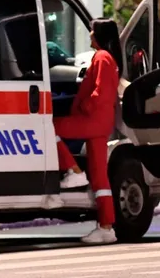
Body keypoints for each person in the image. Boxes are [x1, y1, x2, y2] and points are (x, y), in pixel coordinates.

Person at [53, 18, 123, 244]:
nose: (90, 33)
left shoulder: (102, 57)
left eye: (92, 30)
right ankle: (106, 227)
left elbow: (100, 92)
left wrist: (83, 106)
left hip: (92, 119)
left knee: (49, 128)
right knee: (100, 177)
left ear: (99, 34)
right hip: (101, 123)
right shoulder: (108, 58)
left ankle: (73, 171)